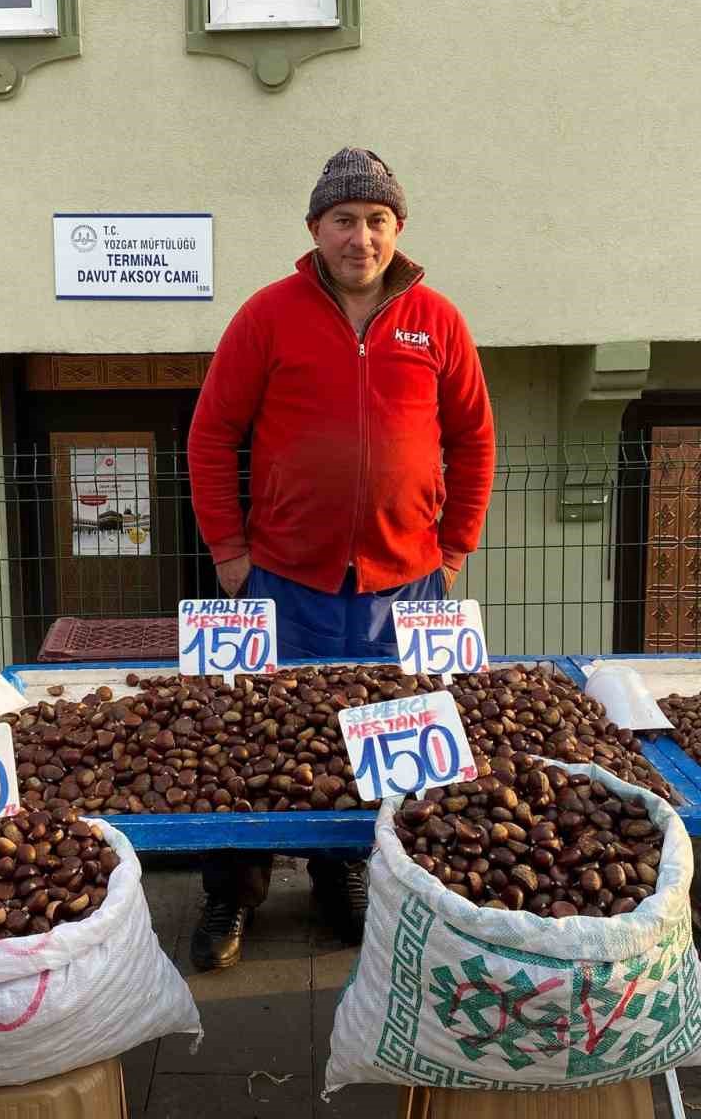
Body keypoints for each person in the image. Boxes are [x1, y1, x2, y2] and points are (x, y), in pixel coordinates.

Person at [184, 147, 496, 969]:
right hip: (282, 579)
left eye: (377, 221)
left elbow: (473, 439)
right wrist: (229, 551)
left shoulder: (439, 320)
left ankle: (343, 873)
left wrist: (455, 545)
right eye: (345, 220)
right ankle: (232, 892)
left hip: (407, 582)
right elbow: (213, 434)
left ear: (399, 229)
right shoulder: (267, 315)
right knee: (252, 740)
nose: (362, 237)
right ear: (316, 229)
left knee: (380, 738)